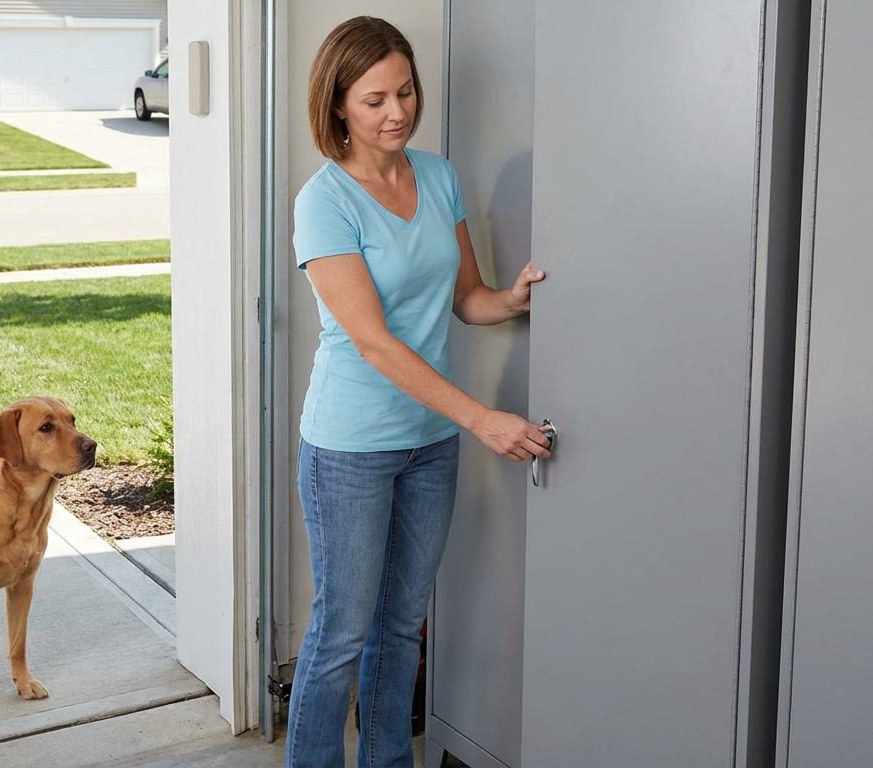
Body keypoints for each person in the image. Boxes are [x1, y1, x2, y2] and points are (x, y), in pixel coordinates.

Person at [285, 16, 551, 768]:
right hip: (350, 445)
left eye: (405, 91)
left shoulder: (437, 176)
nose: (396, 110)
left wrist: (513, 299)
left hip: (428, 442)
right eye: (374, 99)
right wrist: (481, 419)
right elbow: (373, 341)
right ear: (338, 105)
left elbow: (465, 297)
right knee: (340, 632)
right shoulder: (325, 201)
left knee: (401, 625)